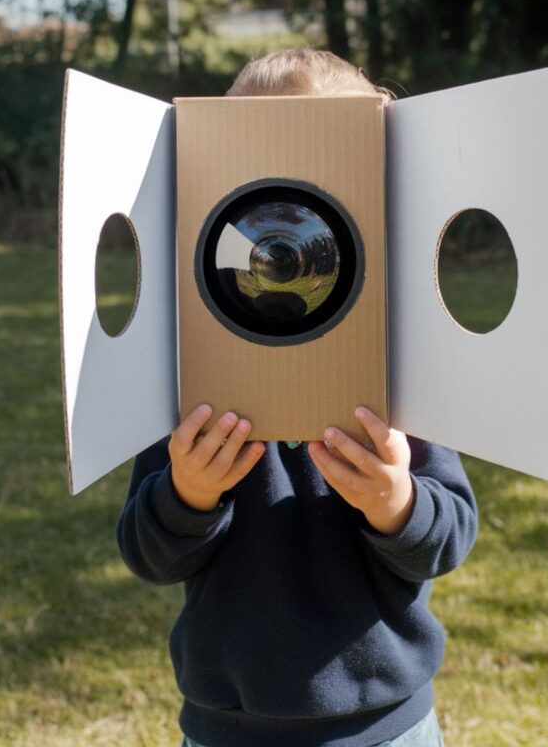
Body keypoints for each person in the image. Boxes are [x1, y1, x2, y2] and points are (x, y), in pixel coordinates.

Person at [117, 48, 478, 747]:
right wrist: (188, 494)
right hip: (228, 729)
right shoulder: (192, 370)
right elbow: (147, 553)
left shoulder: (397, 364)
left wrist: (394, 501)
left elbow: (448, 537)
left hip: (386, 729)